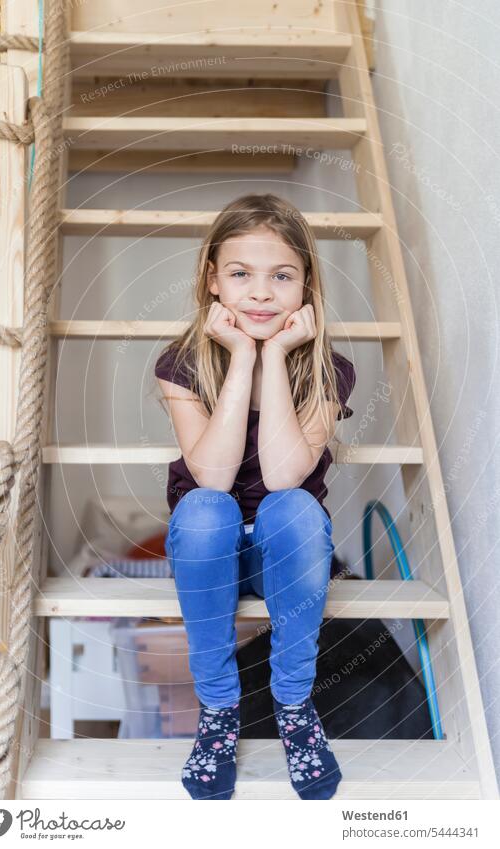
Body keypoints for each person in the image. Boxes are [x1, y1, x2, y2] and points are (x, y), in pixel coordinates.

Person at [154, 192, 356, 800]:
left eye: (282, 276)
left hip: (282, 557)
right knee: (205, 507)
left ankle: (294, 705)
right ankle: (218, 710)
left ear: (306, 287)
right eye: (241, 275)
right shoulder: (180, 364)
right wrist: (242, 355)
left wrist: (277, 357)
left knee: (292, 507)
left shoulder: (329, 370)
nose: (262, 293)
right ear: (212, 282)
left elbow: (285, 475)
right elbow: (213, 476)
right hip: (210, 556)